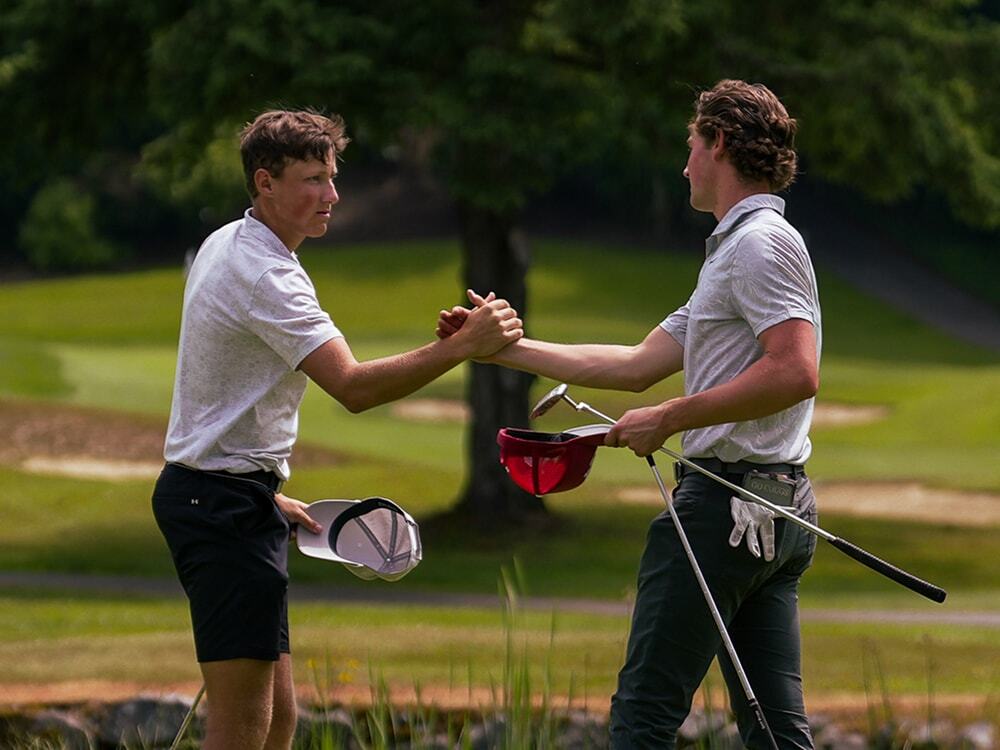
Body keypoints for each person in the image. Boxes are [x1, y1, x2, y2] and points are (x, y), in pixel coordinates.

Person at [438, 79, 821, 748]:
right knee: (775, 733)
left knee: (642, 720)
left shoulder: (760, 244)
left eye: (690, 146)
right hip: (771, 511)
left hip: (724, 509)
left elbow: (794, 370)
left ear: (719, 143)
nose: (684, 165)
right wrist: (502, 350)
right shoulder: (734, 253)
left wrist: (671, 417)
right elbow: (633, 364)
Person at [151, 109, 522, 750]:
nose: (332, 195)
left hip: (229, 496)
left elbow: (220, 401)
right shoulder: (266, 274)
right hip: (218, 507)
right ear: (265, 183)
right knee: (241, 728)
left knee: (278, 721)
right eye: (312, 179)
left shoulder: (231, 241)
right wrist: (464, 347)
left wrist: (263, 492)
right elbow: (353, 387)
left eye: (332, 176)